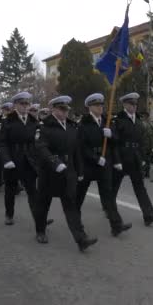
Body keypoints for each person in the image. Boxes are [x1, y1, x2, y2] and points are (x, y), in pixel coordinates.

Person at [34, 95, 98, 252]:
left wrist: (80, 170)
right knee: (43, 204)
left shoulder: (71, 127)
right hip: (49, 172)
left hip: (68, 172)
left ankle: (81, 238)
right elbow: (41, 148)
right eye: (62, 109)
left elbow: (76, 151)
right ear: (53, 109)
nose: (65, 112)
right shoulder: (44, 127)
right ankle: (40, 231)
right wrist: (55, 163)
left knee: (71, 206)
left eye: (66, 109)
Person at [76, 93, 132, 236]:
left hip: (105, 163)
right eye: (97, 105)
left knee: (108, 195)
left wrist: (111, 135)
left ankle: (116, 225)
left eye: (101, 105)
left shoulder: (107, 122)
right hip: (89, 164)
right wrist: (95, 158)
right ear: (89, 107)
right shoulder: (83, 124)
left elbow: (116, 142)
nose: (100, 107)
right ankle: (75, 223)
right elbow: (82, 147)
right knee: (79, 197)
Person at [112, 92, 153, 226]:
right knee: (113, 187)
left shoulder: (139, 120)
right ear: (124, 104)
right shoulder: (118, 120)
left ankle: (149, 215)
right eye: (131, 104)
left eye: (135, 104)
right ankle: (109, 209)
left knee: (140, 187)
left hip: (135, 158)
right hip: (122, 158)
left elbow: (142, 141)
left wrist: (144, 157)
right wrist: (116, 160)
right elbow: (115, 143)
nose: (134, 106)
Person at [0, 92, 42, 226]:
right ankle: (9, 214)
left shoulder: (34, 121)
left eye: (27, 104)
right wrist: (6, 160)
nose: (25, 106)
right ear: (15, 105)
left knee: (32, 191)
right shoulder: (7, 121)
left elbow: (38, 142)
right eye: (22, 104)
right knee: (10, 190)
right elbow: (1, 143)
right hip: (13, 159)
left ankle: (39, 219)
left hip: (29, 160)